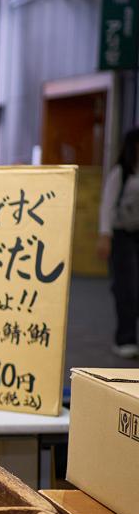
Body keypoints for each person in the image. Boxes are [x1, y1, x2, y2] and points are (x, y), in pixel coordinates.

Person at [97, 128, 139, 358]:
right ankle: (126, 338)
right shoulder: (120, 174)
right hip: (122, 234)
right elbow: (107, 206)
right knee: (126, 286)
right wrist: (105, 235)